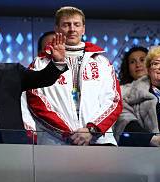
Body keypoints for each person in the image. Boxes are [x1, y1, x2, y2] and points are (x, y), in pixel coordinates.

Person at [26, 7, 122, 146]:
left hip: (99, 140)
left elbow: (114, 101)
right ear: (57, 29)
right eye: (66, 24)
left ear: (83, 29)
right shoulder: (40, 63)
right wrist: (67, 133)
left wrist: (92, 130)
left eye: (76, 24)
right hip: (57, 142)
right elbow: (36, 103)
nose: (72, 29)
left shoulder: (102, 62)